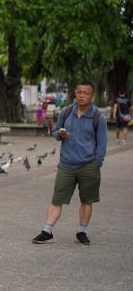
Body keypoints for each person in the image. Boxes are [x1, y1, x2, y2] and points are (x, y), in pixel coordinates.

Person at [32, 81, 108, 246]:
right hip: (66, 165)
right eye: (79, 91)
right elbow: (55, 132)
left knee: (86, 200)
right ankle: (47, 231)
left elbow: (102, 144)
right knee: (57, 199)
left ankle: (82, 231)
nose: (82, 95)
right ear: (75, 93)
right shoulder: (66, 112)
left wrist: (97, 164)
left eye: (86, 93)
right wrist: (60, 134)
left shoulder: (97, 117)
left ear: (92, 96)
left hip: (88, 165)